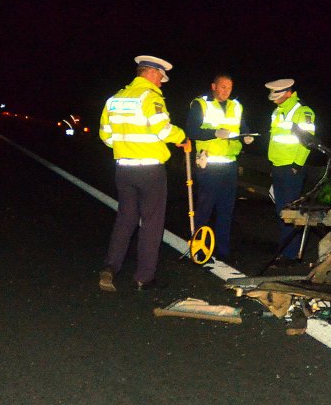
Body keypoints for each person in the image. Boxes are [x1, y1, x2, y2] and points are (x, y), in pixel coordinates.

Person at [97, 55, 188, 292]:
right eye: (160, 77)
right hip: (149, 171)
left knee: (125, 219)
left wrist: (126, 145)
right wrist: (181, 137)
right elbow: (162, 129)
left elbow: (106, 136)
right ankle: (144, 277)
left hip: (123, 169)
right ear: (150, 73)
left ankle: (110, 267)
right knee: (151, 223)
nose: (161, 82)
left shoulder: (114, 99)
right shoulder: (149, 97)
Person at [185, 74, 253, 262]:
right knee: (205, 209)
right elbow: (191, 130)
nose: (226, 91)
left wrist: (247, 136)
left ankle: (222, 250)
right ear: (213, 86)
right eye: (222, 87)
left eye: (229, 88)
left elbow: (243, 127)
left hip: (229, 164)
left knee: (226, 209)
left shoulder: (236, 106)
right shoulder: (201, 104)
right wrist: (214, 133)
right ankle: (198, 247)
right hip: (209, 165)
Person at [264, 78, 316, 264]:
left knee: (290, 212)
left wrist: (297, 165)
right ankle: (284, 249)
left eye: (276, 94)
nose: (273, 98)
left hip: (291, 169)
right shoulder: (277, 111)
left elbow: (307, 142)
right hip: (278, 167)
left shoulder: (302, 111)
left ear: (287, 93)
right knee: (281, 211)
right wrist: (273, 165)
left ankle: (290, 255)